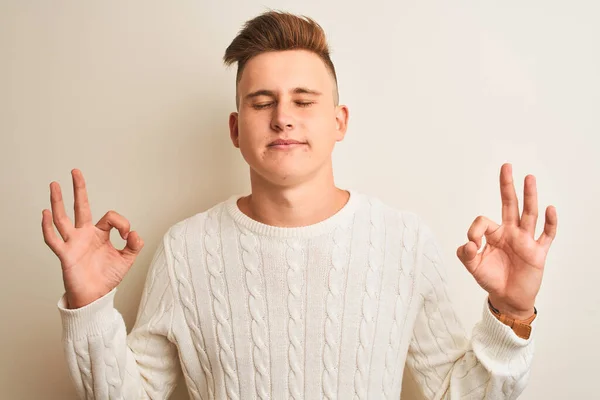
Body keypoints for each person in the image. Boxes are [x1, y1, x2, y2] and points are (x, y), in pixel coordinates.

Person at [42, 11, 558, 400]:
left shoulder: (404, 241)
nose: (283, 118)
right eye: (262, 102)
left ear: (339, 122)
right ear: (235, 128)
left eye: (304, 101)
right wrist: (88, 308)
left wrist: (511, 313)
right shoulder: (185, 250)